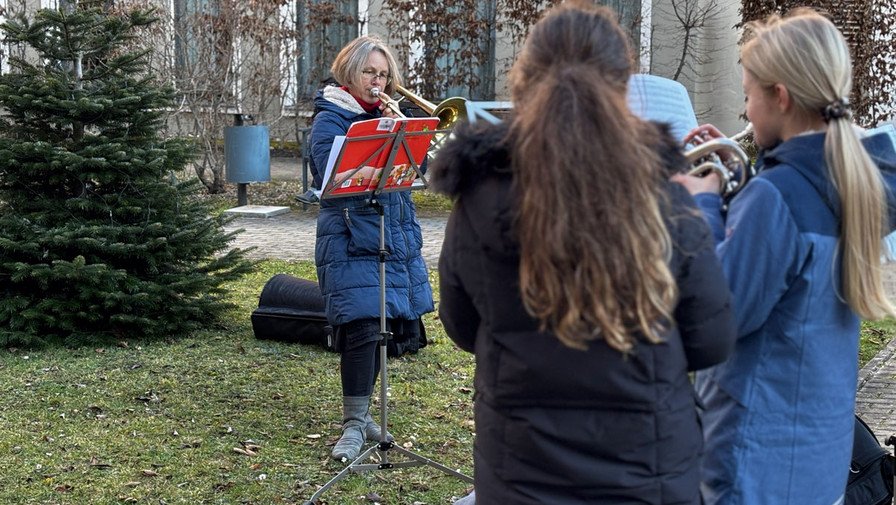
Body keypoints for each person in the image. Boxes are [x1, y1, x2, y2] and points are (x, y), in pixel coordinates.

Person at [429, 2, 737, 503]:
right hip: (647, 480)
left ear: (524, 79)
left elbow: (462, 328)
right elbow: (712, 342)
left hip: (522, 479)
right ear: (622, 86)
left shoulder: (479, 197)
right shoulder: (666, 198)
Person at [672, 9, 896, 504]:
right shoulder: (850, 182)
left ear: (781, 96)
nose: (745, 112)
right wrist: (738, 186)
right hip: (817, 460)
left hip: (756, 463)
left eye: (748, 95)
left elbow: (719, 315)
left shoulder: (776, 197)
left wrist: (701, 206)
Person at [308, 35, 434, 462]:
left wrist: (405, 132)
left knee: (383, 324)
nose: (377, 81)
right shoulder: (331, 117)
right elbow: (326, 172)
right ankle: (352, 423)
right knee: (362, 323)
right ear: (350, 72)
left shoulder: (391, 116)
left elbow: (417, 167)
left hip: (391, 231)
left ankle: (363, 418)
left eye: (383, 74)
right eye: (369, 72)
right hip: (349, 234)